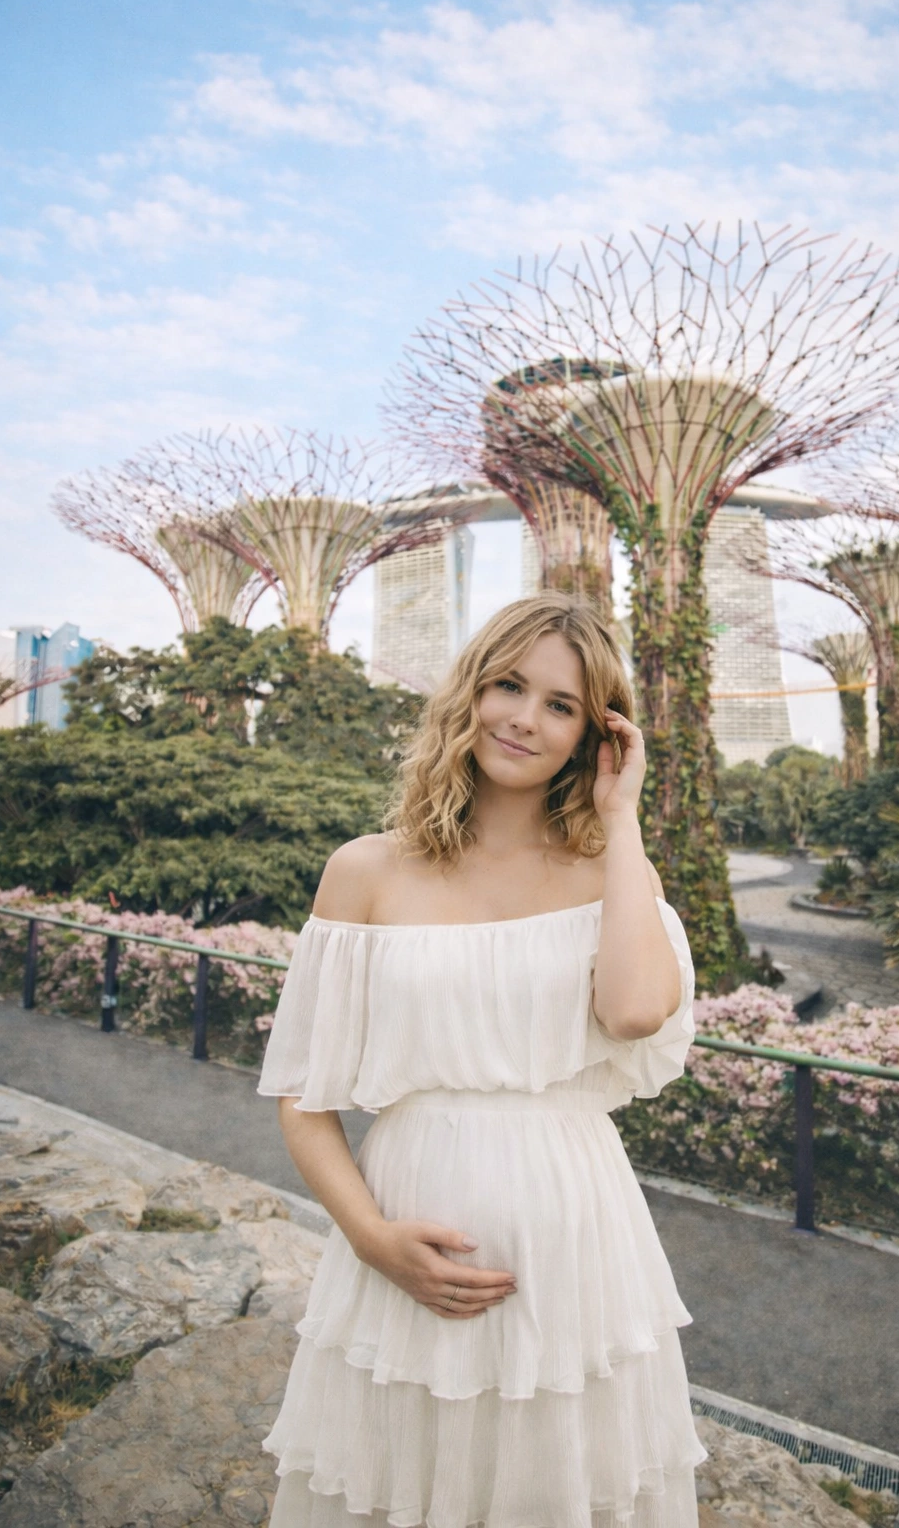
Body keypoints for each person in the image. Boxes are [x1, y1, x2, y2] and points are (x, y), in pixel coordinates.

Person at [257, 590, 707, 1526]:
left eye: (561, 705)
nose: (524, 719)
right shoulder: (366, 872)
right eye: (510, 685)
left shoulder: (613, 874)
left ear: (593, 736)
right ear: (469, 692)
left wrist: (620, 820)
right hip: (402, 1245)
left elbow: (632, 1013)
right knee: (396, 1489)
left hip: (578, 1242)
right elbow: (303, 1096)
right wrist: (373, 1242)